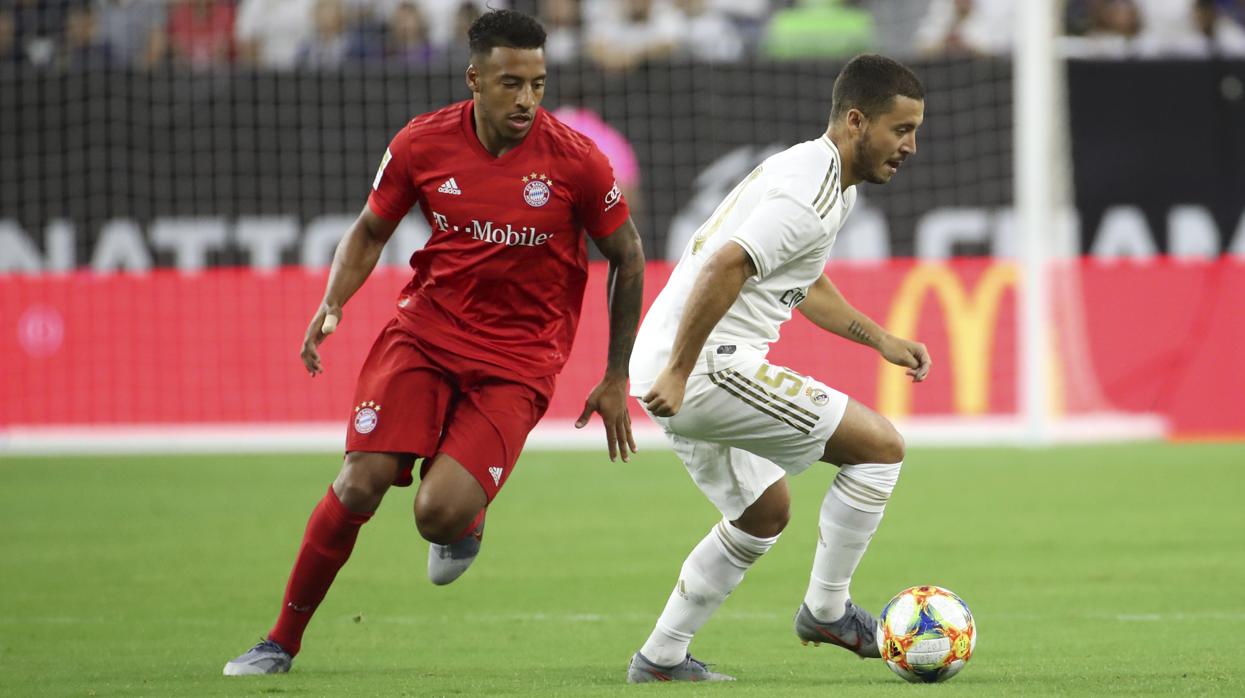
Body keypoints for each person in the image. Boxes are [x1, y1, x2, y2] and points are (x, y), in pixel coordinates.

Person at [223, 8, 645, 676]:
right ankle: (279, 641)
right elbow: (370, 230)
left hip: (518, 360)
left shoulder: (578, 162)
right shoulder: (421, 144)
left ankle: (465, 515)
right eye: (511, 83)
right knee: (359, 482)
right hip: (424, 335)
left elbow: (628, 256)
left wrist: (616, 374)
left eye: (537, 84)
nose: (527, 100)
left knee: (437, 515)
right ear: (474, 79)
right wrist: (333, 300)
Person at [624, 54, 930, 683]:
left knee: (762, 513)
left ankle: (660, 658)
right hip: (701, 364)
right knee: (881, 449)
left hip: (671, 359)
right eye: (901, 130)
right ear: (855, 121)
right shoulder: (810, 193)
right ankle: (828, 610)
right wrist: (681, 371)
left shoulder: (824, 178)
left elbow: (802, 279)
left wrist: (880, 340)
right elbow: (726, 265)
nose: (911, 146)